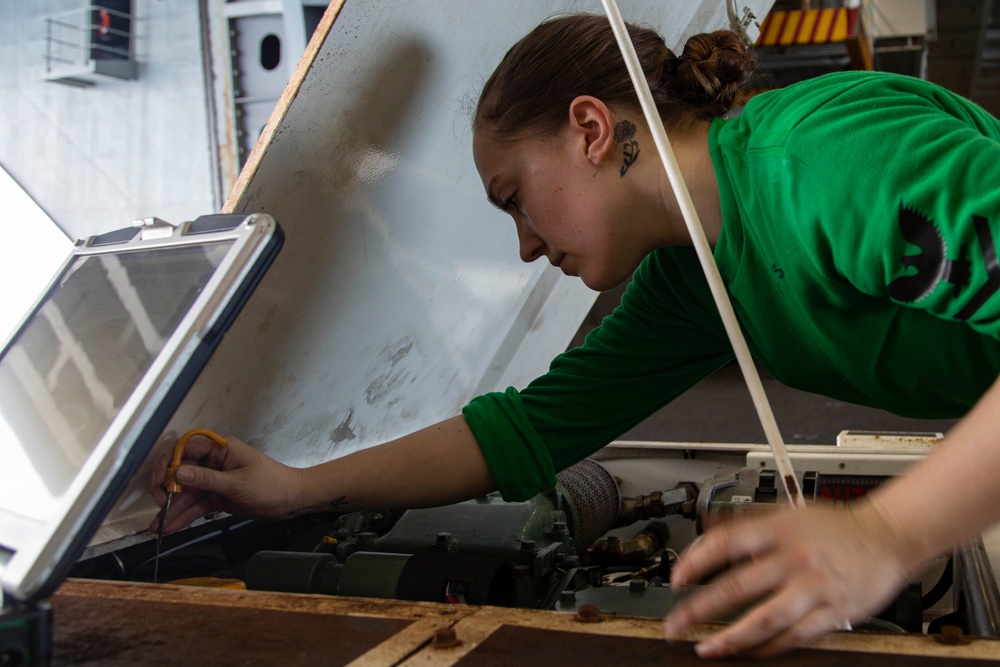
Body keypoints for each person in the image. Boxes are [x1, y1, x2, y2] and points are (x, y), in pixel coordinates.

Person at [150, 13, 1000, 658]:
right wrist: (297, 487)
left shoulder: (820, 164)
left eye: (514, 194)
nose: (523, 244)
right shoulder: (694, 282)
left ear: (591, 130)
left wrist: (886, 534)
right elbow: (525, 430)